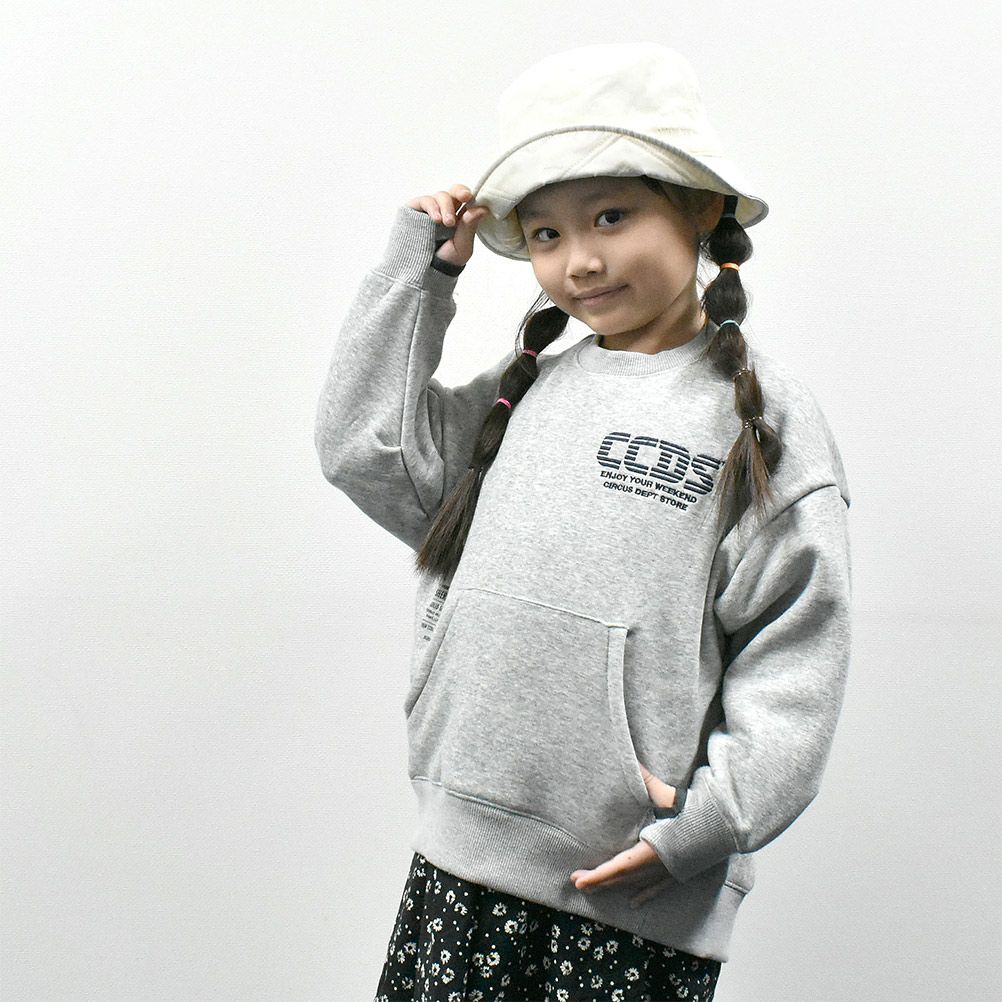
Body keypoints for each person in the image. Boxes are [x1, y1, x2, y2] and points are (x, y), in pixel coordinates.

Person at [315, 42, 852, 1002]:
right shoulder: (520, 399)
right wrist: (418, 273)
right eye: (547, 234)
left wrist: (713, 821)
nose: (582, 260)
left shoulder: (762, 422)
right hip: (459, 864)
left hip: (631, 897)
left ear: (700, 210)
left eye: (612, 216)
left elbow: (795, 647)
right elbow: (366, 446)